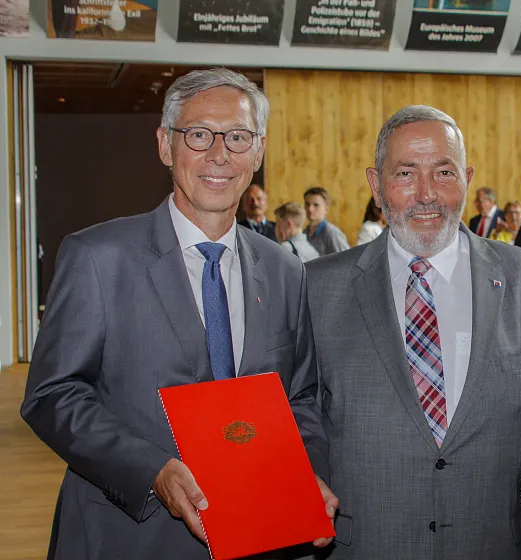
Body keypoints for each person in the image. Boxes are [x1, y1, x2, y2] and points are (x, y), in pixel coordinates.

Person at [20, 68, 336, 560]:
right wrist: (151, 470)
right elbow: (51, 395)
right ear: (165, 145)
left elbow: (303, 397)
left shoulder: (285, 271)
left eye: (237, 137)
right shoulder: (98, 258)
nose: (219, 154)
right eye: (198, 135)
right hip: (127, 533)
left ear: (258, 150)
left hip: (260, 533)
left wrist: (308, 474)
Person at [306, 105, 521, 559]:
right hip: (367, 545)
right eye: (405, 173)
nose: (426, 194)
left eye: (443, 172)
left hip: (489, 546)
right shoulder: (318, 287)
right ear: (376, 184)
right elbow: (299, 407)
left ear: (465, 177)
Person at [304, 186, 350, 256]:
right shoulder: (304, 233)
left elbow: (347, 260)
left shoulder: (333, 233)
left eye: (316, 205)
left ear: (326, 208)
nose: (310, 209)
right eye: (307, 204)